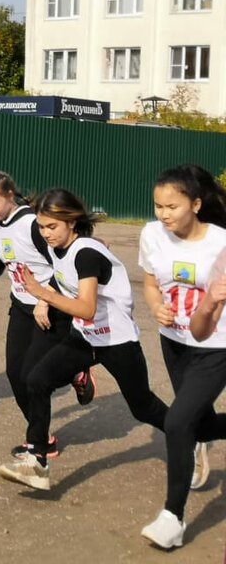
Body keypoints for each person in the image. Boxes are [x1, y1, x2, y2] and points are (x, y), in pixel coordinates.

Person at [0, 188, 170, 493]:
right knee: (36, 379)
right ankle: (37, 460)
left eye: (52, 227)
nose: (46, 234)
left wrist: (42, 295)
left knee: (143, 408)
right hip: (85, 337)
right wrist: (45, 298)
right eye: (41, 227)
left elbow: (86, 307)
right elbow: (63, 276)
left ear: (72, 223)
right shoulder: (59, 248)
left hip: (117, 341)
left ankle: (189, 436)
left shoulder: (87, 254)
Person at [0, 170, 94, 459]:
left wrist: (45, 298)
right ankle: (43, 437)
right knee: (15, 374)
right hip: (21, 305)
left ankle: (73, 376)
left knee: (34, 376)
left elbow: (66, 263)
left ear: (9, 195)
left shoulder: (33, 224)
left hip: (53, 306)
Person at [137, 166, 226, 549]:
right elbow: (151, 283)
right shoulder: (151, 234)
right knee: (195, 425)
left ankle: (172, 518)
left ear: (196, 203)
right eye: (158, 206)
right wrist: (156, 307)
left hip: (217, 347)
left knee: (177, 423)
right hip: (173, 343)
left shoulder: (221, 243)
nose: (163, 214)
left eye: (171, 206)